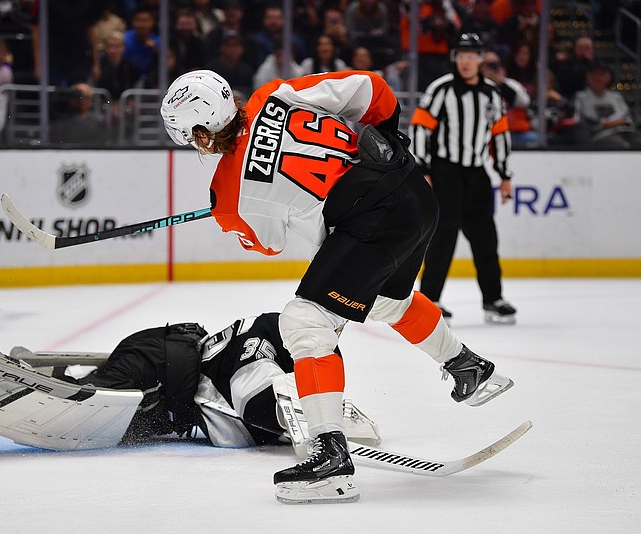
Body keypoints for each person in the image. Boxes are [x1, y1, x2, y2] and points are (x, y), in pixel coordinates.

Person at [160, 68, 514, 503]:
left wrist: (232, 205)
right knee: (386, 301)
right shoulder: (276, 93)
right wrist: (380, 139)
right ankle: (467, 366)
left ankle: (329, 459)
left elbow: (267, 244)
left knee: (304, 322)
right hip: (411, 190)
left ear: (200, 133)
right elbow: (373, 90)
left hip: (370, 222)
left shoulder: (228, 193)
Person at [0, 311, 380, 451]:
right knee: (73, 413)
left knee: (89, 391)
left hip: (165, 355)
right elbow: (256, 401)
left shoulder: (279, 329)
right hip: (163, 381)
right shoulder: (267, 356)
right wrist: (317, 433)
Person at [409, 33, 517, 324]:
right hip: (446, 172)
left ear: (481, 59)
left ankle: (493, 299)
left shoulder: (492, 94)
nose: (466, 62)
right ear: (454, 58)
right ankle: (431, 298)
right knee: (442, 237)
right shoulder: (441, 89)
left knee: (486, 239)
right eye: (461, 56)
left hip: (477, 174)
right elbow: (420, 128)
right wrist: (424, 170)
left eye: (472, 56)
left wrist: (505, 175)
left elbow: (500, 134)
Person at [573, 62, 641, 150]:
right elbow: (578, 120)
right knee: (621, 146)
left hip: (625, 131)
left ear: (608, 77)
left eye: (601, 75)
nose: (598, 78)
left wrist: (620, 122)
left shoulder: (616, 97)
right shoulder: (581, 97)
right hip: (601, 134)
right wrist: (604, 124)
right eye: (594, 75)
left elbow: (627, 116)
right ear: (588, 77)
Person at [481, 49, 539, 147]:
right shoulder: (474, 87)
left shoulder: (510, 84)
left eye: (493, 65)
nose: (489, 69)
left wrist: (501, 84)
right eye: (485, 65)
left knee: (535, 139)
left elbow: (525, 102)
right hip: (484, 133)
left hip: (514, 133)